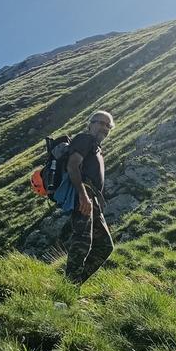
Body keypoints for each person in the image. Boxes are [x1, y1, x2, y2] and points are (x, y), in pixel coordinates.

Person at [60, 110, 115, 284]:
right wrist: (83, 195)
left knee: (105, 246)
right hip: (83, 195)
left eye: (108, 126)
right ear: (90, 124)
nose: (104, 128)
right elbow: (72, 166)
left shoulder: (96, 148)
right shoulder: (84, 139)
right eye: (101, 123)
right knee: (82, 241)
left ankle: (72, 284)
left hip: (93, 199)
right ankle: (68, 288)